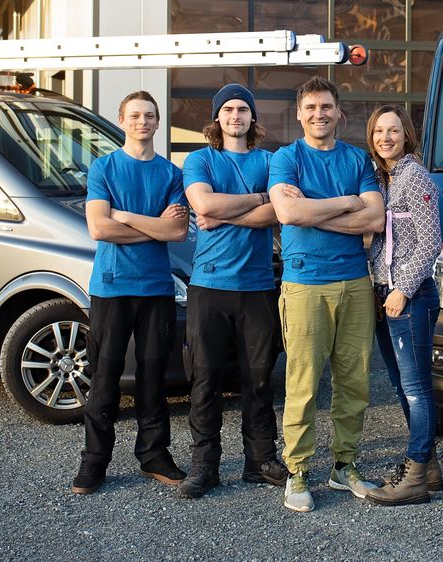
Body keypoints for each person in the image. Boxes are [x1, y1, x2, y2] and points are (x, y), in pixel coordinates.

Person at [268, 77, 386, 513]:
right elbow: (287, 212)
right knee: (303, 383)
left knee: (354, 382)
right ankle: (297, 470)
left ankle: (344, 465)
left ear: (340, 113)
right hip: (304, 283)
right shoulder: (287, 158)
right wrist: (347, 203)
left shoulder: (357, 159)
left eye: (327, 107)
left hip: (355, 282)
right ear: (300, 114)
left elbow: (374, 218)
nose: (319, 114)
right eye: (311, 107)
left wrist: (316, 210)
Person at [71, 91, 189, 495]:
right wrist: (149, 225)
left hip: (156, 288)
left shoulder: (172, 175)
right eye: (135, 115)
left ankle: (153, 455)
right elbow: (99, 229)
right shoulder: (103, 168)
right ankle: (94, 462)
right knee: (104, 376)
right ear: (122, 120)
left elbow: (175, 231)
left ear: (157, 123)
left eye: (150, 116)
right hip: (112, 286)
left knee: (154, 376)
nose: (143, 121)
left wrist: (124, 216)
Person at [177, 83, 291, 499]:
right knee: (205, 378)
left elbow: (277, 211)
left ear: (253, 117)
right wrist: (254, 203)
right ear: (217, 118)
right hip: (209, 285)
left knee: (258, 379)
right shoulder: (200, 159)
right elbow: (203, 207)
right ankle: (204, 464)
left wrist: (237, 209)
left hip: (258, 286)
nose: (236, 115)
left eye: (243, 109)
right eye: (228, 109)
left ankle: (259, 460)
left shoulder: (270, 160)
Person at [362, 105, 443, 506]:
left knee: (416, 388)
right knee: (399, 384)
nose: (385, 138)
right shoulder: (381, 178)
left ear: (406, 135)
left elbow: (430, 242)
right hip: (383, 294)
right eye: (379, 131)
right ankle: (428, 466)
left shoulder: (415, 176)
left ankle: (415, 477)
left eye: (393, 130)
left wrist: (402, 290)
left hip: (411, 298)